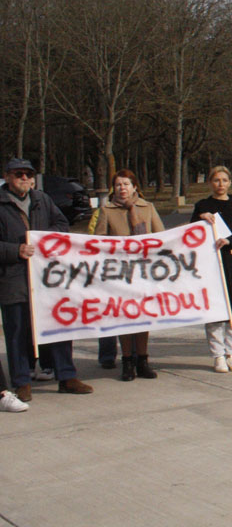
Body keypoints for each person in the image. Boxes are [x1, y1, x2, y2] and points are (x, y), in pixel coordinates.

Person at [1, 158, 91, 403]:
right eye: (19, 174)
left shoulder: (43, 200)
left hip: (47, 277)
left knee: (59, 325)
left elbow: (61, 224)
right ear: (7, 176)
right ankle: (21, 382)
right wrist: (15, 250)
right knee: (18, 331)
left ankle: (67, 376)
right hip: (13, 278)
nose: (25, 179)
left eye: (29, 174)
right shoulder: (1, 204)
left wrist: (48, 242)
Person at [95, 168, 165, 380]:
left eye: (126, 184)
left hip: (144, 271)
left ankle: (142, 359)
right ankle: (127, 361)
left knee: (143, 317)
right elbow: (98, 242)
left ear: (135, 187)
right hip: (120, 274)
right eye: (118, 185)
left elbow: (162, 236)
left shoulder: (148, 207)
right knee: (124, 317)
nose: (122, 188)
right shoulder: (107, 210)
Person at [194, 166, 232, 373]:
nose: (220, 184)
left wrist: (229, 241)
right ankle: (217, 355)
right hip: (211, 265)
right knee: (215, 313)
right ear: (210, 182)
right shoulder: (203, 205)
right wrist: (201, 218)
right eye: (216, 180)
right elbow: (191, 233)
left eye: (224, 180)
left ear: (230, 182)